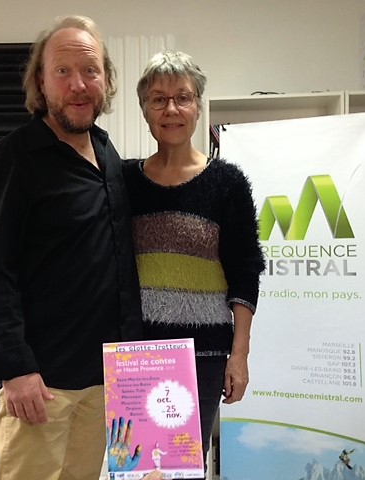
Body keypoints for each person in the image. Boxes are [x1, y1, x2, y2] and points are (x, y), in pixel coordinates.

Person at [0, 15, 143, 479]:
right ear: (41, 82)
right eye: (63, 71)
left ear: (106, 80)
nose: (78, 85)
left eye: (90, 71)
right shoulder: (11, 160)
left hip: (103, 380)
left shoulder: (107, 154)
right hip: (41, 387)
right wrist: (16, 369)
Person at [123, 50, 266, 476]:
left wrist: (239, 356)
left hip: (201, 355)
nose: (171, 109)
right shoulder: (124, 181)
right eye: (158, 99)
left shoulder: (227, 183)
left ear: (198, 107)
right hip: (137, 354)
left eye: (183, 97)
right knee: (136, 468)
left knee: (182, 468)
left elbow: (246, 271)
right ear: (145, 110)